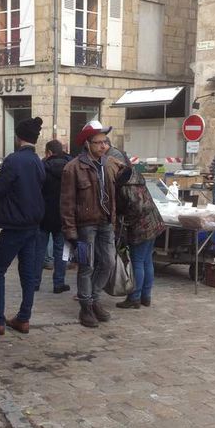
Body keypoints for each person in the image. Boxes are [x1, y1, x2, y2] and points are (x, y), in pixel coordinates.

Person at [0, 117, 45, 336]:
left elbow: (0, 188)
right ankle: (24, 318)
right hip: (33, 224)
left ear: (18, 137)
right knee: (28, 272)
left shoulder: (14, 160)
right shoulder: (37, 161)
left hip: (15, 224)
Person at [61, 120, 130, 328]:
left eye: (105, 142)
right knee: (86, 266)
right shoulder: (73, 168)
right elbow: (66, 202)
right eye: (99, 143)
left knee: (108, 262)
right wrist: (70, 230)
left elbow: (124, 177)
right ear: (88, 144)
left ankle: (94, 298)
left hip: (105, 223)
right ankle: (86, 307)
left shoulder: (108, 163)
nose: (103, 146)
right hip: (84, 226)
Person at [116, 160, 165, 309]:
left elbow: (136, 209)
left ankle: (134, 297)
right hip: (154, 223)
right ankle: (146, 296)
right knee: (146, 260)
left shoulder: (126, 186)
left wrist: (126, 223)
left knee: (137, 261)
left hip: (141, 227)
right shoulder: (137, 178)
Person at [34, 139, 71, 294]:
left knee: (39, 251)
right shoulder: (70, 167)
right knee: (61, 251)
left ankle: (35, 282)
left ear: (49, 152)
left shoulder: (41, 167)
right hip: (63, 215)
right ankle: (59, 283)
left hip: (43, 215)